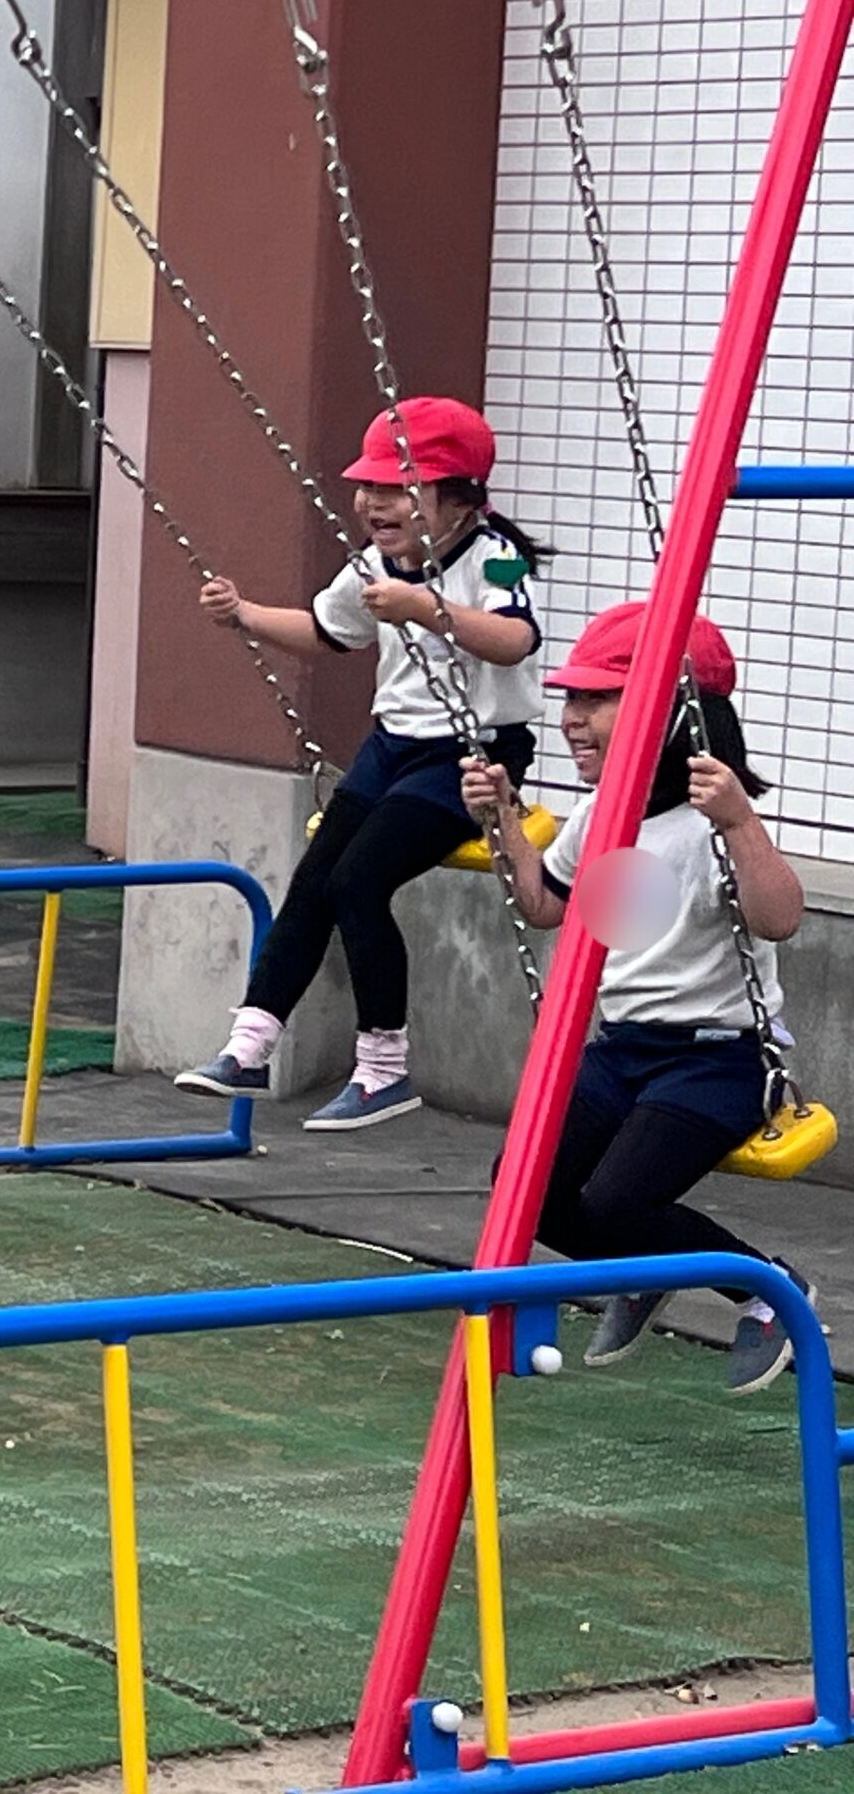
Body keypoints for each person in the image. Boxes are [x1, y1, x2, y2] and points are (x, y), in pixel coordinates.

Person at [465, 602, 811, 1395]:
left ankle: (768, 1291)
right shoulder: (603, 814)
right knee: (523, 1187)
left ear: (673, 711)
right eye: (570, 699)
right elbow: (545, 905)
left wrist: (740, 821)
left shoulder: (709, 823)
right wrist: (503, 820)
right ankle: (645, 1271)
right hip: (623, 1049)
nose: (571, 719)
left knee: (618, 1201)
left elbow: (781, 918)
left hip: (719, 1058)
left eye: (596, 700)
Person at [175, 398, 547, 1129]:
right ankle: (250, 1043)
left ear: (459, 498)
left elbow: (515, 640)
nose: (374, 503)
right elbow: (327, 630)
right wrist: (244, 613)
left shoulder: (497, 555)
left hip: (472, 756)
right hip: (392, 747)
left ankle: (383, 1069)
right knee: (315, 880)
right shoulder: (376, 564)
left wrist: (422, 607)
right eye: (368, 487)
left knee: (358, 883)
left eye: (398, 489)